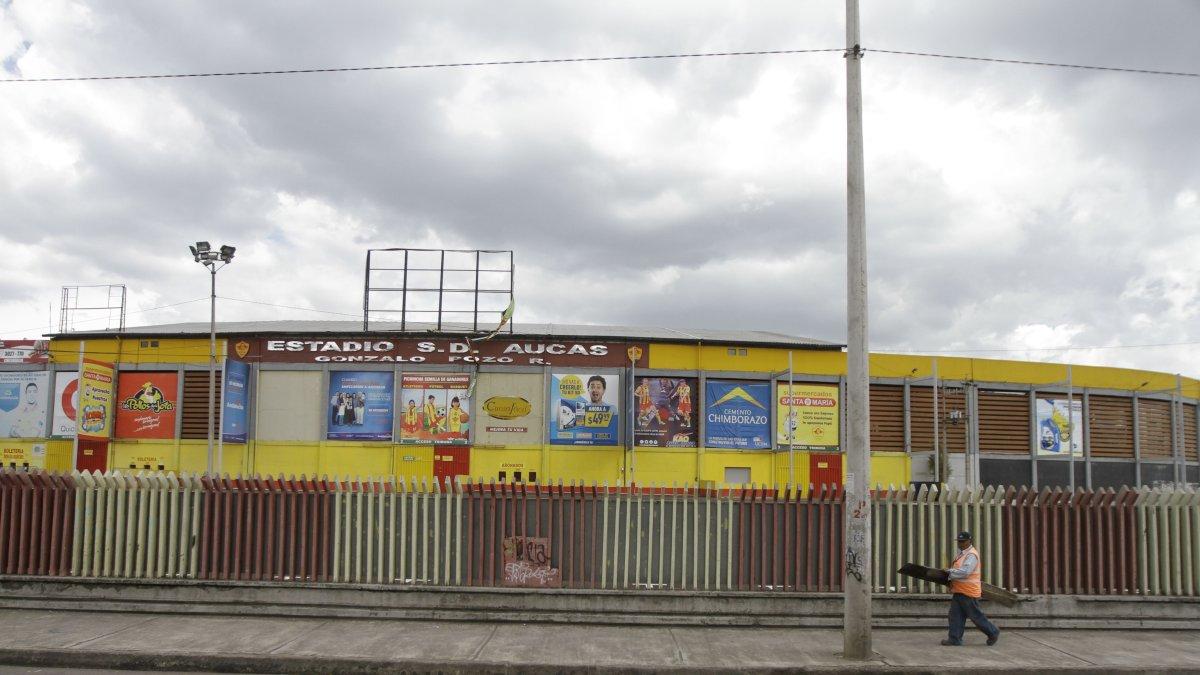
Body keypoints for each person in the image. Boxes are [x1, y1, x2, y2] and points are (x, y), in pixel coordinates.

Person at [941, 531, 1000, 647]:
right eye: (959, 541)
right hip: (959, 591)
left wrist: (949, 572)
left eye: (963, 541)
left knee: (976, 616)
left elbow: (966, 572)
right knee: (955, 615)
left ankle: (993, 632)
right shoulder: (962, 554)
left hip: (968, 592)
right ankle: (954, 639)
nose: (960, 544)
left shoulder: (971, 555)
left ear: (969, 541)